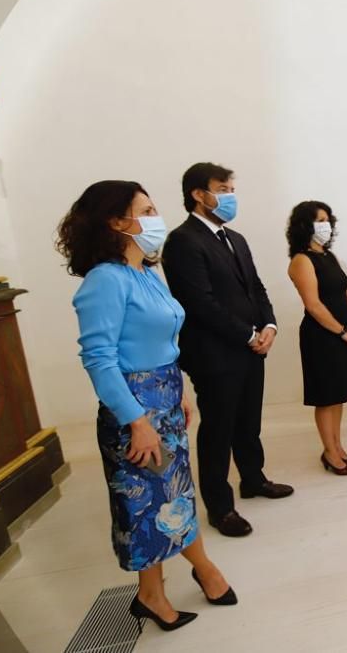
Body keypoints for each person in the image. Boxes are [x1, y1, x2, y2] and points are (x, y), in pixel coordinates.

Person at [58, 180, 236, 633]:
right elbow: (99, 360)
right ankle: (180, 582)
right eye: (148, 209)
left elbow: (162, 342)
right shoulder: (105, 280)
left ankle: (154, 592)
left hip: (165, 399)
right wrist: (136, 420)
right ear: (118, 222)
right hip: (135, 410)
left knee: (171, 496)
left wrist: (178, 393)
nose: (157, 218)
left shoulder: (143, 274)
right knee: (146, 504)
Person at [162, 163, 293, 538]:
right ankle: (220, 507)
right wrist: (248, 335)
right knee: (218, 429)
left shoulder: (235, 238)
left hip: (251, 348)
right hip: (215, 354)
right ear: (198, 194)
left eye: (232, 187)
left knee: (248, 422)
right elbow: (199, 302)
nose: (230, 195)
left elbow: (257, 288)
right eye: (222, 188)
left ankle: (253, 478)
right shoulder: (183, 241)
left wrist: (269, 326)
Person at [287, 201, 347, 475]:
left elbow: (345, 291)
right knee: (326, 397)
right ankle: (329, 452)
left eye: (328, 219)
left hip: (343, 333)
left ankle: (337, 446)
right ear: (305, 225)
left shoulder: (328, 256)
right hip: (322, 336)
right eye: (319, 220)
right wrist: (341, 331)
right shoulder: (301, 260)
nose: (326, 225)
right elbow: (314, 305)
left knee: (339, 395)